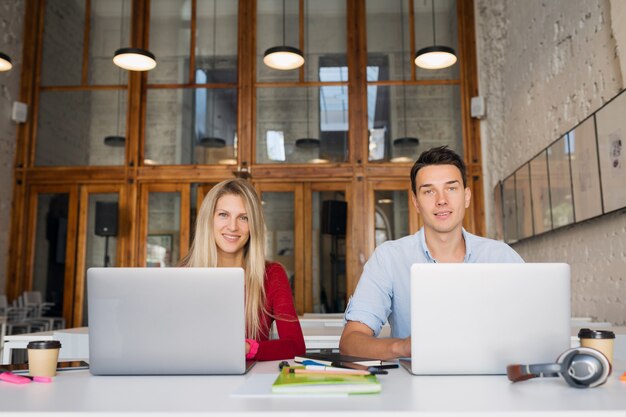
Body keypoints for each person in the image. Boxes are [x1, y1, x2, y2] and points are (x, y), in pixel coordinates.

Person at [339, 146, 523, 360]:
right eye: (428, 191)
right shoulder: (389, 258)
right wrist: (404, 347)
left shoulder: (502, 257)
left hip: (494, 383)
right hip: (415, 386)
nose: (441, 200)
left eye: (451, 188)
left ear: (466, 196)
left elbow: (533, 327)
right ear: (416, 202)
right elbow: (350, 341)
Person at [181, 178, 305, 361]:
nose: (233, 227)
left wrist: (247, 348)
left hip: (249, 381)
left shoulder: (272, 274)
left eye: (243, 218)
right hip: (193, 379)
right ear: (209, 220)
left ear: (253, 225)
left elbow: (295, 346)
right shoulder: (183, 275)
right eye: (223, 215)